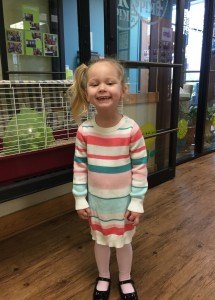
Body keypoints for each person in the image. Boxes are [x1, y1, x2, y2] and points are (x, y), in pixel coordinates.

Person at [70, 58, 148, 300]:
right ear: (86, 92)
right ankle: (103, 275)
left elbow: (140, 168)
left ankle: (125, 277)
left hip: (124, 204)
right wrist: (79, 199)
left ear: (123, 89)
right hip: (97, 203)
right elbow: (80, 167)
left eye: (109, 82)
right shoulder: (84, 131)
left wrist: (137, 202)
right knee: (101, 242)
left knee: (123, 243)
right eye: (95, 84)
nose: (102, 88)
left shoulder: (131, 129)